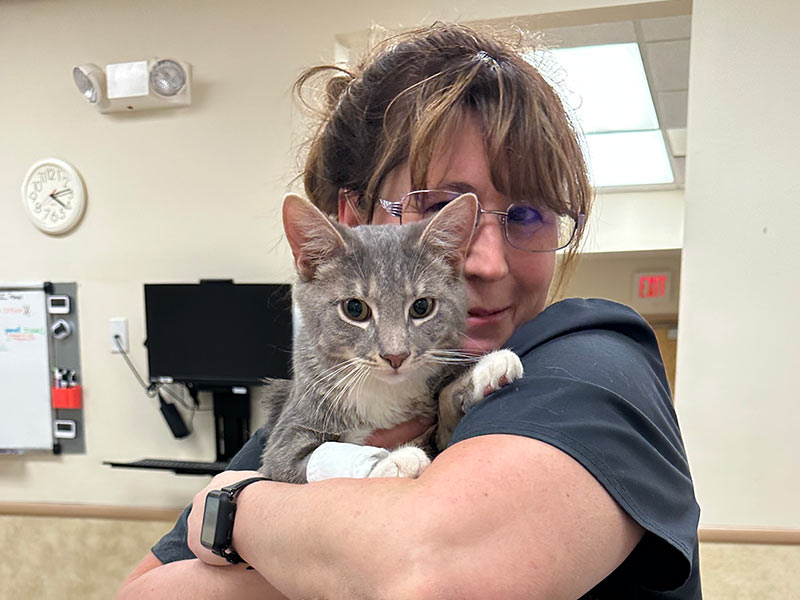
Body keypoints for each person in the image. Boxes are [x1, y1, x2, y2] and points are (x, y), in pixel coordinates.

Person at [118, 23, 701, 599]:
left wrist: (234, 508)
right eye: (438, 207)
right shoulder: (322, 394)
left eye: (527, 216)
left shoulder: (592, 362)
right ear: (352, 220)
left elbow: (423, 577)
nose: (486, 263)